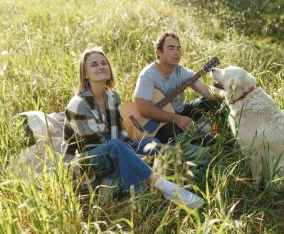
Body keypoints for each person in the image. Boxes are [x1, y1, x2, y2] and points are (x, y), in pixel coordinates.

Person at [61, 46, 205, 209]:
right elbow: (100, 147)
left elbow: (122, 137)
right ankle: (165, 187)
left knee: (153, 143)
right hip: (85, 164)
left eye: (104, 63)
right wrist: (135, 156)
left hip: (115, 149)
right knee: (116, 147)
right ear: (85, 74)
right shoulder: (79, 105)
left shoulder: (112, 97)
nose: (101, 66)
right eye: (94, 65)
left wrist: (142, 150)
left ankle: (203, 159)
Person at [134, 32, 221, 145]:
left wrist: (226, 94)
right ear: (159, 52)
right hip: (159, 124)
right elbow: (144, 108)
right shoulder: (148, 75)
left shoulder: (181, 71)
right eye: (171, 48)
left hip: (179, 112)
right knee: (177, 132)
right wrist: (177, 119)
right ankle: (213, 143)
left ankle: (228, 131)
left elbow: (207, 92)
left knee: (209, 102)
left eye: (178, 48)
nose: (176, 52)